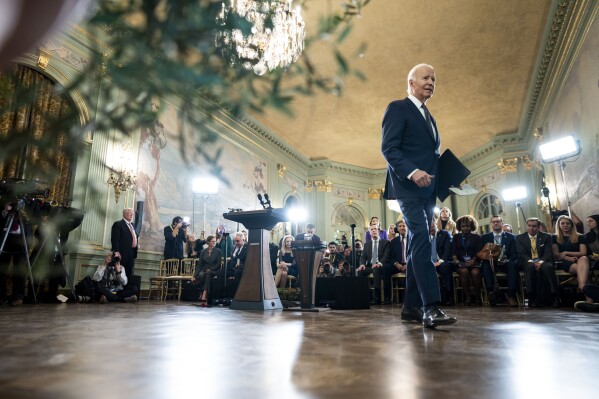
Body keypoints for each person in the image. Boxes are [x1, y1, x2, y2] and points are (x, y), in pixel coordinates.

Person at [381, 63, 456, 327]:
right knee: (422, 240)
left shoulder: (430, 118)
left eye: (434, 79)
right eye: (426, 77)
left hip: (428, 191)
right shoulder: (398, 107)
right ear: (411, 82)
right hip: (408, 187)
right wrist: (412, 172)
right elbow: (388, 149)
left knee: (416, 246)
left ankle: (410, 307)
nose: (431, 82)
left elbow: (431, 156)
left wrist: (447, 180)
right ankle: (430, 307)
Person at [516, 217, 559, 307]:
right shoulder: (520, 238)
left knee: (547, 267)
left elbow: (548, 253)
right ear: (526, 226)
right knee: (530, 267)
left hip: (543, 260)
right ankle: (531, 296)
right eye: (529, 226)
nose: (531, 228)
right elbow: (522, 253)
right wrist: (532, 262)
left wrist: (540, 262)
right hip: (527, 261)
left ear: (538, 227)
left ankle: (554, 295)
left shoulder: (546, 237)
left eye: (534, 226)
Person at [480, 215, 519, 306]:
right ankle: (491, 293)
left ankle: (511, 296)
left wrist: (507, 260)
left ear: (502, 223)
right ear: (491, 224)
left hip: (506, 263)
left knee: (512, 265)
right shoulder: (485, 237)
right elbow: (481, 252)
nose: (496, 223)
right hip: (491, 262)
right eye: (493, 222)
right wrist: (487, 256)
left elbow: (514, 254)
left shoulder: (511, 237)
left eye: (498, 221)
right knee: (485, 265)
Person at [0, 202, 32, 306]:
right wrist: (4, 213)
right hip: (6, 238)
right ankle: (2, 296)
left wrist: (25, 215)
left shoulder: (29, 203)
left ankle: (18, 297)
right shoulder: (5, 201)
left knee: (19, 270)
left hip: (21, 240)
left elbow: (36, 218)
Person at [552, 215, 590, 295]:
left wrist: (566, 252)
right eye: (562, 223)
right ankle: (585, 292)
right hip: (563, 262)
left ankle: (581, 287)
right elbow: (557, 255)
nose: (565, 225)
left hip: (580, 260)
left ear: (571, 225)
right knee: (582, 271)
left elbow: (583, 252)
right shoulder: (554, 237)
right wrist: (568, 258)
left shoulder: (579, 236)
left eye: (567, 223)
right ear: (558, 225)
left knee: (584, 258)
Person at [452, 215, 483, 305]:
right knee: (464, 272)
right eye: (463, 226)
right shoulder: (456, 237)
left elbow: (479, 251)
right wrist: (455, 259)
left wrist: (473, 260)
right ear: (459, 227)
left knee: (475, 273)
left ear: (472, 226)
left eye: (468, 226)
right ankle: (468, 297)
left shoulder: (477, 237)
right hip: (460, 263)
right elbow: (454, 251)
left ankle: (477, 297)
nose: (465, 228)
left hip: (475, 262)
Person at [357, 225, 391, 305]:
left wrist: (379, 263)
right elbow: (363, 257)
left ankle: (377, 297)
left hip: (381, 266)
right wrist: (362, 264)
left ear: (378, 231)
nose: (373, 231)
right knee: (360, 271)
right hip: (370, 266)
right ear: (370, 232)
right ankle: (365, 296)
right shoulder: (366, 244)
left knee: (376, 269)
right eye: (371, 229)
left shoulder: (386, 243)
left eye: (375, 229)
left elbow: (386, 255)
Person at [192, 235, 222, 307]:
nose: (214, 243)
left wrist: (211, 269)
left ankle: (204, 293)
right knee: (201, 275)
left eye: (215, 241)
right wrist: (194, 276)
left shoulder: (218, 251)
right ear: (208, 242)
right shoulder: (203, 251)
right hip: (204, 270)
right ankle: (204, 292)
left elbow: (218, 264)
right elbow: (200, 265)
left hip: (214, 270)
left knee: (208, 272)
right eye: (212, 241)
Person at [430, 219, 454, 305]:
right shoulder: (424, 236)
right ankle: (430, 299)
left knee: (445, 267)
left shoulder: (444, 234)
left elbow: (447, 251)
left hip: (442, 261)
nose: (431, 227)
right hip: (429, 263)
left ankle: (449, 296)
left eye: (432, 224)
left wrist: (440, 261)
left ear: (435, 223)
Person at [110, 208, 138, 279]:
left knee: (128, 273)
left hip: (132, 252)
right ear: (124, 214)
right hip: (121, 253)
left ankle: (127, 289)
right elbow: (115, 240)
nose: (132, 215)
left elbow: (133, 237)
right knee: (120, 273)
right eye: (130, 213)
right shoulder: (118, 224)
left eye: (132, 214)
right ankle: (119, 289)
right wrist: (116, 252)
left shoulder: (133, 225)